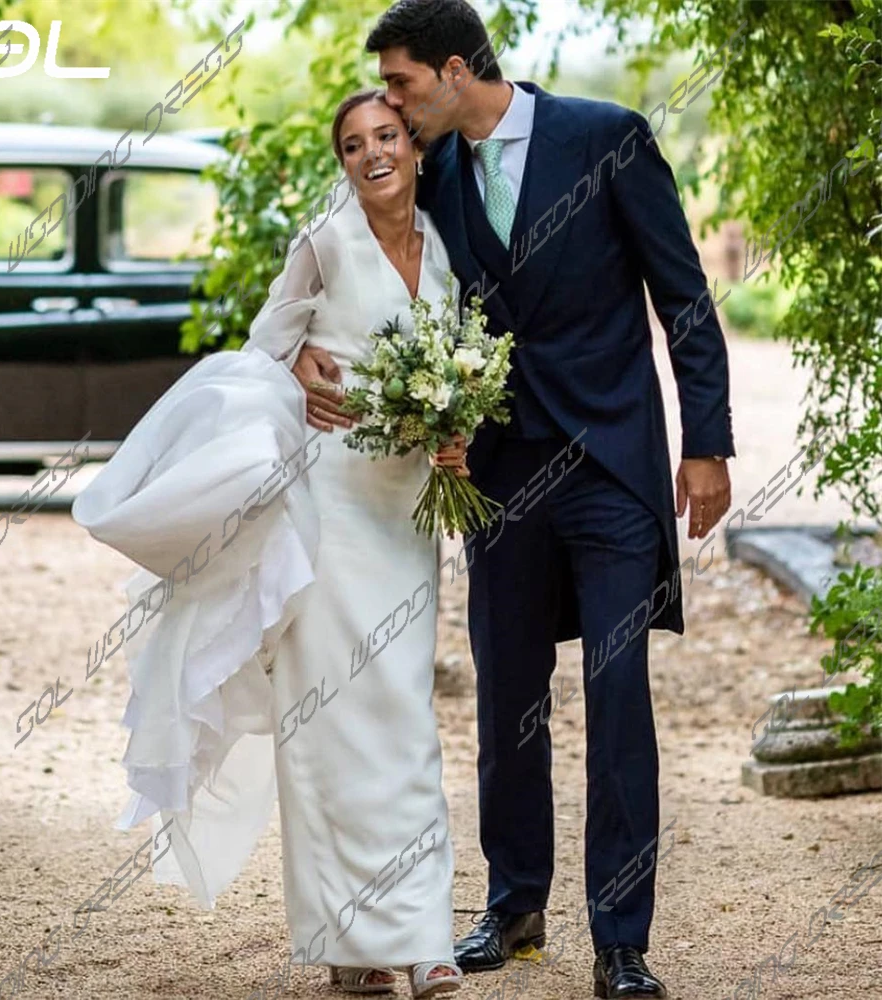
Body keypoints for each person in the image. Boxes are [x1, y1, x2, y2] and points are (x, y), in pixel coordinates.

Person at [293, 2, 737, 998]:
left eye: (402, 86)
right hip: (492, 477)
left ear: (454, 70)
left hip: (611, 464)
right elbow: (357, 261)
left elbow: (684, 298)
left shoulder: (606, 136)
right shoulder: (432, 173)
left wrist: (705, 441)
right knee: (507, 699)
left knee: (617, 695)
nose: (394, 113)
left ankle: (621, 940)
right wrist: (299, 346)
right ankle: (515, 904)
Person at [72, 91, 471, 998]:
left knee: (406, 712)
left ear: (413, 145)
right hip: (329, 503)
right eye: (352, 145)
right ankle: (349, 941)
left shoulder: (444, 252)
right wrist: (295, 364)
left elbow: (458, 372)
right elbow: (262, 346)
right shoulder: (325, 238)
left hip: (405, 509)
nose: (372, 155)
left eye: (385, 137)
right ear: (342, 163)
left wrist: (457, 433)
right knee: (328, 720)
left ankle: (426, 936)